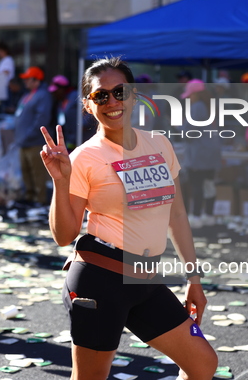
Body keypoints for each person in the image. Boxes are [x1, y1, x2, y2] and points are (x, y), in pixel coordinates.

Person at [40, 57, 218, 380]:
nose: (112, 102)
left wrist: (194, 279)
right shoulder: (84, 158)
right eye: (101, 96)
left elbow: (176, 215)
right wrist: (60, 181)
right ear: (87, 104)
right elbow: (64, 235)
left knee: (202, 363)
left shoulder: (160, 144)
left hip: (145, 280)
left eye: (120, 92)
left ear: (134, 95)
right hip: (100, 280)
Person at [180, 79, 220, 228]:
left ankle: (196, 216)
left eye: (190, 95)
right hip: (212, 154)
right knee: (209, 185)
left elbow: (189, 133)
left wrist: (179, 126)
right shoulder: (210, 106)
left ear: (196, 94)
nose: (189, 98)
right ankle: (209, 215)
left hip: (198, 155)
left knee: (196, 186)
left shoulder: (196, 107)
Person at [14, 66, 52, 206]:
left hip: (34, 141)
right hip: (23, 141)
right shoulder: (28, 95)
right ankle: (29, 196)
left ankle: (39, 198)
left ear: (36, 80)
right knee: (26, 170)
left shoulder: (42, 95)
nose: (25, 82)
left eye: (27, 79)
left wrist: (29, 134)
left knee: (37, 171)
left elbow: (41, 118)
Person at [48, 75, 79, 149]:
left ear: (63, 88)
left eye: (56, 91)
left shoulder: (76, 96)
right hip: (69, 141)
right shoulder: (61, 101)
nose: (54, 94)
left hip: (80, 139)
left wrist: (83, 125)